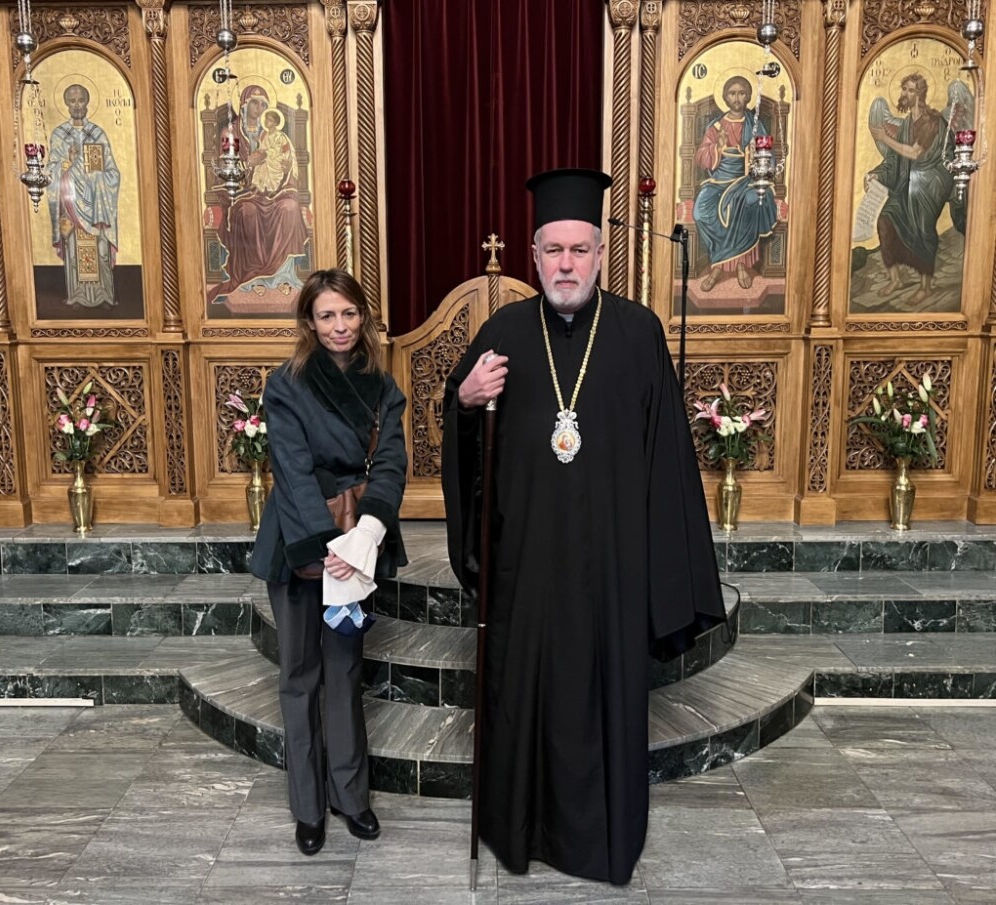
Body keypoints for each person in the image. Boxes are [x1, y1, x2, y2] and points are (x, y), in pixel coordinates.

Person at [442, 169, 726, 885]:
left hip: (613, 569)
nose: (566, 263)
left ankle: (603, 842)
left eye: (580, 249)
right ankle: (519, 832)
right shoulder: (503, 332)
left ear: (602, 254)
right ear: (532, 257)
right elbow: (464, 444)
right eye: (553, 250)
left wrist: (664, 579)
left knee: (606, 701)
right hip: (527, 569)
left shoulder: (637, 333)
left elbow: (666, 461)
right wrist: (465, 400)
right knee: (524, 700)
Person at [250, 268, 408, 855]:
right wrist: (322, 547)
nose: (339, 326)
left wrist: (364, 535)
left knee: (344, 672)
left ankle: (351, 797)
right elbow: (290, 470)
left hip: (355, 540)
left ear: (362, 317)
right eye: (326, 316)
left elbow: (391, 464)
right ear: (309, 323)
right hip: (299, 539)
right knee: (299, 675)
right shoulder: (286, 383)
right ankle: (308, 808)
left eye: (348, 313)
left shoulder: (383, 386)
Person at [207, 84, 309, 304]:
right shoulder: (231, 134)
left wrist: (284, 170)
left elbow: (288, 162)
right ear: (243, 105)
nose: (259, 108)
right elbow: (224, 172)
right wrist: (247, 164)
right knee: (248, 211)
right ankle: (251, 278)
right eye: (255, 102)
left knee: (290, 208)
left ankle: (283, 276)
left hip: (276, 190)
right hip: (244, 193)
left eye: (264, 104)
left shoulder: (273, 134)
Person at [865, 73, 955, 306]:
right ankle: (895, 279)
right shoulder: (906, 124)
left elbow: (915, 153)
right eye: (904, 89)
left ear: (920, 94)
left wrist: (884, 137)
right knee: (885, 219)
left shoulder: (932, 121)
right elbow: (896, 159)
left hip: (930, 182)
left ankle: (925, 285)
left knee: (922, 227)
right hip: (909, 182)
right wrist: (877, 174)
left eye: (910, 90)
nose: (905, 94)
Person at [692, 76, 778, 291]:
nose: (737, 98)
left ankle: (739, 265)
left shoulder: (755, 125)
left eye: (741, 93)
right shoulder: (716, 126)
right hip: (719, 181)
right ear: (725, 97)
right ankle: (719, 262)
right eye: (732, 93)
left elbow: (769, 157)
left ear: (748, 96)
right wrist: (717, 148)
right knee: (701, 211)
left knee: (748, 201)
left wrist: (757, 157)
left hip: (747, 180)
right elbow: (701, 156)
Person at [47, 83, 121, 308]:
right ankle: (77, 296)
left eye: (81, 100)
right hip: (70, 204)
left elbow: (112, 173)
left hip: (97, 206)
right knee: (73, 250)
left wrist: (98, 178)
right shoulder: (59, 134)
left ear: (88, 102)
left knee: (99, 249)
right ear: (66, 105)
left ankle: (104, 295)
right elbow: (51, 171)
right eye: (72, 101)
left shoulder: (97, 133)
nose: (77, 105)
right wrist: (67, 161)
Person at [253, 108, 299, 195]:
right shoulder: (265, 136)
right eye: (266, 119)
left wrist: (265, 152)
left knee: (266, 160)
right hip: (267, 158)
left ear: (275, 123)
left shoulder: (280, 136)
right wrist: (260, 152)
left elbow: (280, 150)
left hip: (277, 160)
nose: (267, 121)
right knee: (261, 162)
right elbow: (262, 149)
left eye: (269, 120)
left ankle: (273, 188)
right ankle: (259, 186)